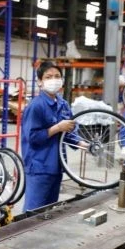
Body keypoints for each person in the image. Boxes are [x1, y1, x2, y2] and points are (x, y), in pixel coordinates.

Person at [21, 61, 86, 212]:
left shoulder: (63, 104)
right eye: (48, 77)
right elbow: (33, 138)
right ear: (39, 82)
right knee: (33, 211)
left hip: (57, 166)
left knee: (49, 210)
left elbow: (68, 133)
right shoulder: (36, 106)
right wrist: (57, 127)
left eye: (57, 76)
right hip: (39, 167)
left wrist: (82, 144)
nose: (54, 80)